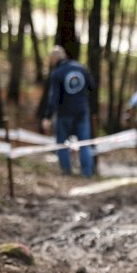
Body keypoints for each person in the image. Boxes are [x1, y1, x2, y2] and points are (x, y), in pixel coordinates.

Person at [41, 45, 95, 178]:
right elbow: (92, 87)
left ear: (55, 58)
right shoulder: (82, 68)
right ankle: (87, 173)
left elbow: (53, 98)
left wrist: (47, 117)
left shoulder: (57, 73)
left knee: (61, 143)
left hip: (64, 113)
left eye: (51, 59)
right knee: (85, 143)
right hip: (82, 111)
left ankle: (66, 171)